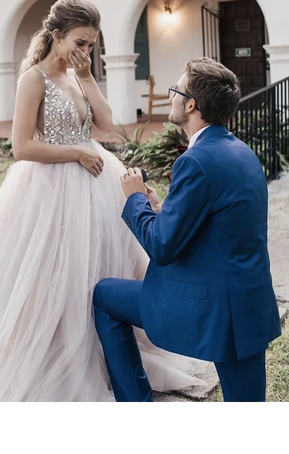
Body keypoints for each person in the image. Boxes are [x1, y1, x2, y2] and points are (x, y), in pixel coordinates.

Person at [0, 0, 209, 405]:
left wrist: (88, 77)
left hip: (95, 181)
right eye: (80, 42)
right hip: (50, 188)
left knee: (98, 265)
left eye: (91, 44)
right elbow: (21, 147)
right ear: (56, 35)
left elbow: (106, 125)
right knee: (56, 272)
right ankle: (55, 353)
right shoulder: (33, 79)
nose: (85, 51)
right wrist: (75, 152)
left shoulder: (78, 75)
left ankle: (104, 350)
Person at [93, 57, 282, 405]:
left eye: (175, 90)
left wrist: (135, 199)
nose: (173, 97)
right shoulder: (242, 152)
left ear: (191, 104)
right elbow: (219, 222)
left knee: (105, 296)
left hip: (211, 306)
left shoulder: (195, 161)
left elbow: (162, 246)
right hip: (249, 302)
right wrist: (161, 206)